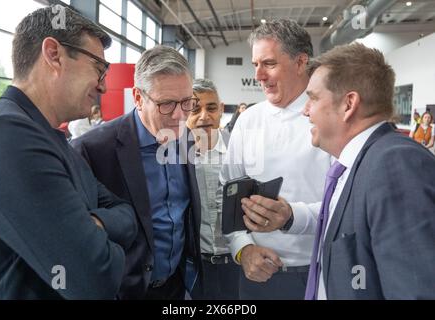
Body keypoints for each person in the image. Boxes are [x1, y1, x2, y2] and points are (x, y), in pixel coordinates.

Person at [0, 6, 137, 299]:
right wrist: (97, 233)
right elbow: (96, 275)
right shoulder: (6, 134)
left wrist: (97, 224)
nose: (104, 86)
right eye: (98, 68)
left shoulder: (54, 141)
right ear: (54, 54)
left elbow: (127, 215)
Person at [302, 42, 435, 299]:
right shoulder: (358, 165)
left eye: (313, 98)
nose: (305, 110)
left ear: (348, 104)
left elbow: (415, 290)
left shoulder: (395, 164)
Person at [71, 45, 202, 300]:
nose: (179, 115)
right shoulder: (92, 150)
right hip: (123, 291)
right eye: (166, 104)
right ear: (138, 98)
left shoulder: (186, 138)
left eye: (187, 102)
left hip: (176, 286)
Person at [220, 19, 331, 299]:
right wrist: (242, 249)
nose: (258, 75)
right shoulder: (248, 121)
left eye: (268, 63)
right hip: (256, 274)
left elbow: (345, 203)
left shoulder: (330, 119)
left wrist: (292, 215)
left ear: (300, 62)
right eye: (255, 64)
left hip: (318, 273)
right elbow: (227, 193)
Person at [186, 79, 239, 300]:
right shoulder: (173, 158)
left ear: (221, 110)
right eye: (195, 109)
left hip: (238, 263)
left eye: (211, 108)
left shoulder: (240, 150)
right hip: (195, 268)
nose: (204, 116)